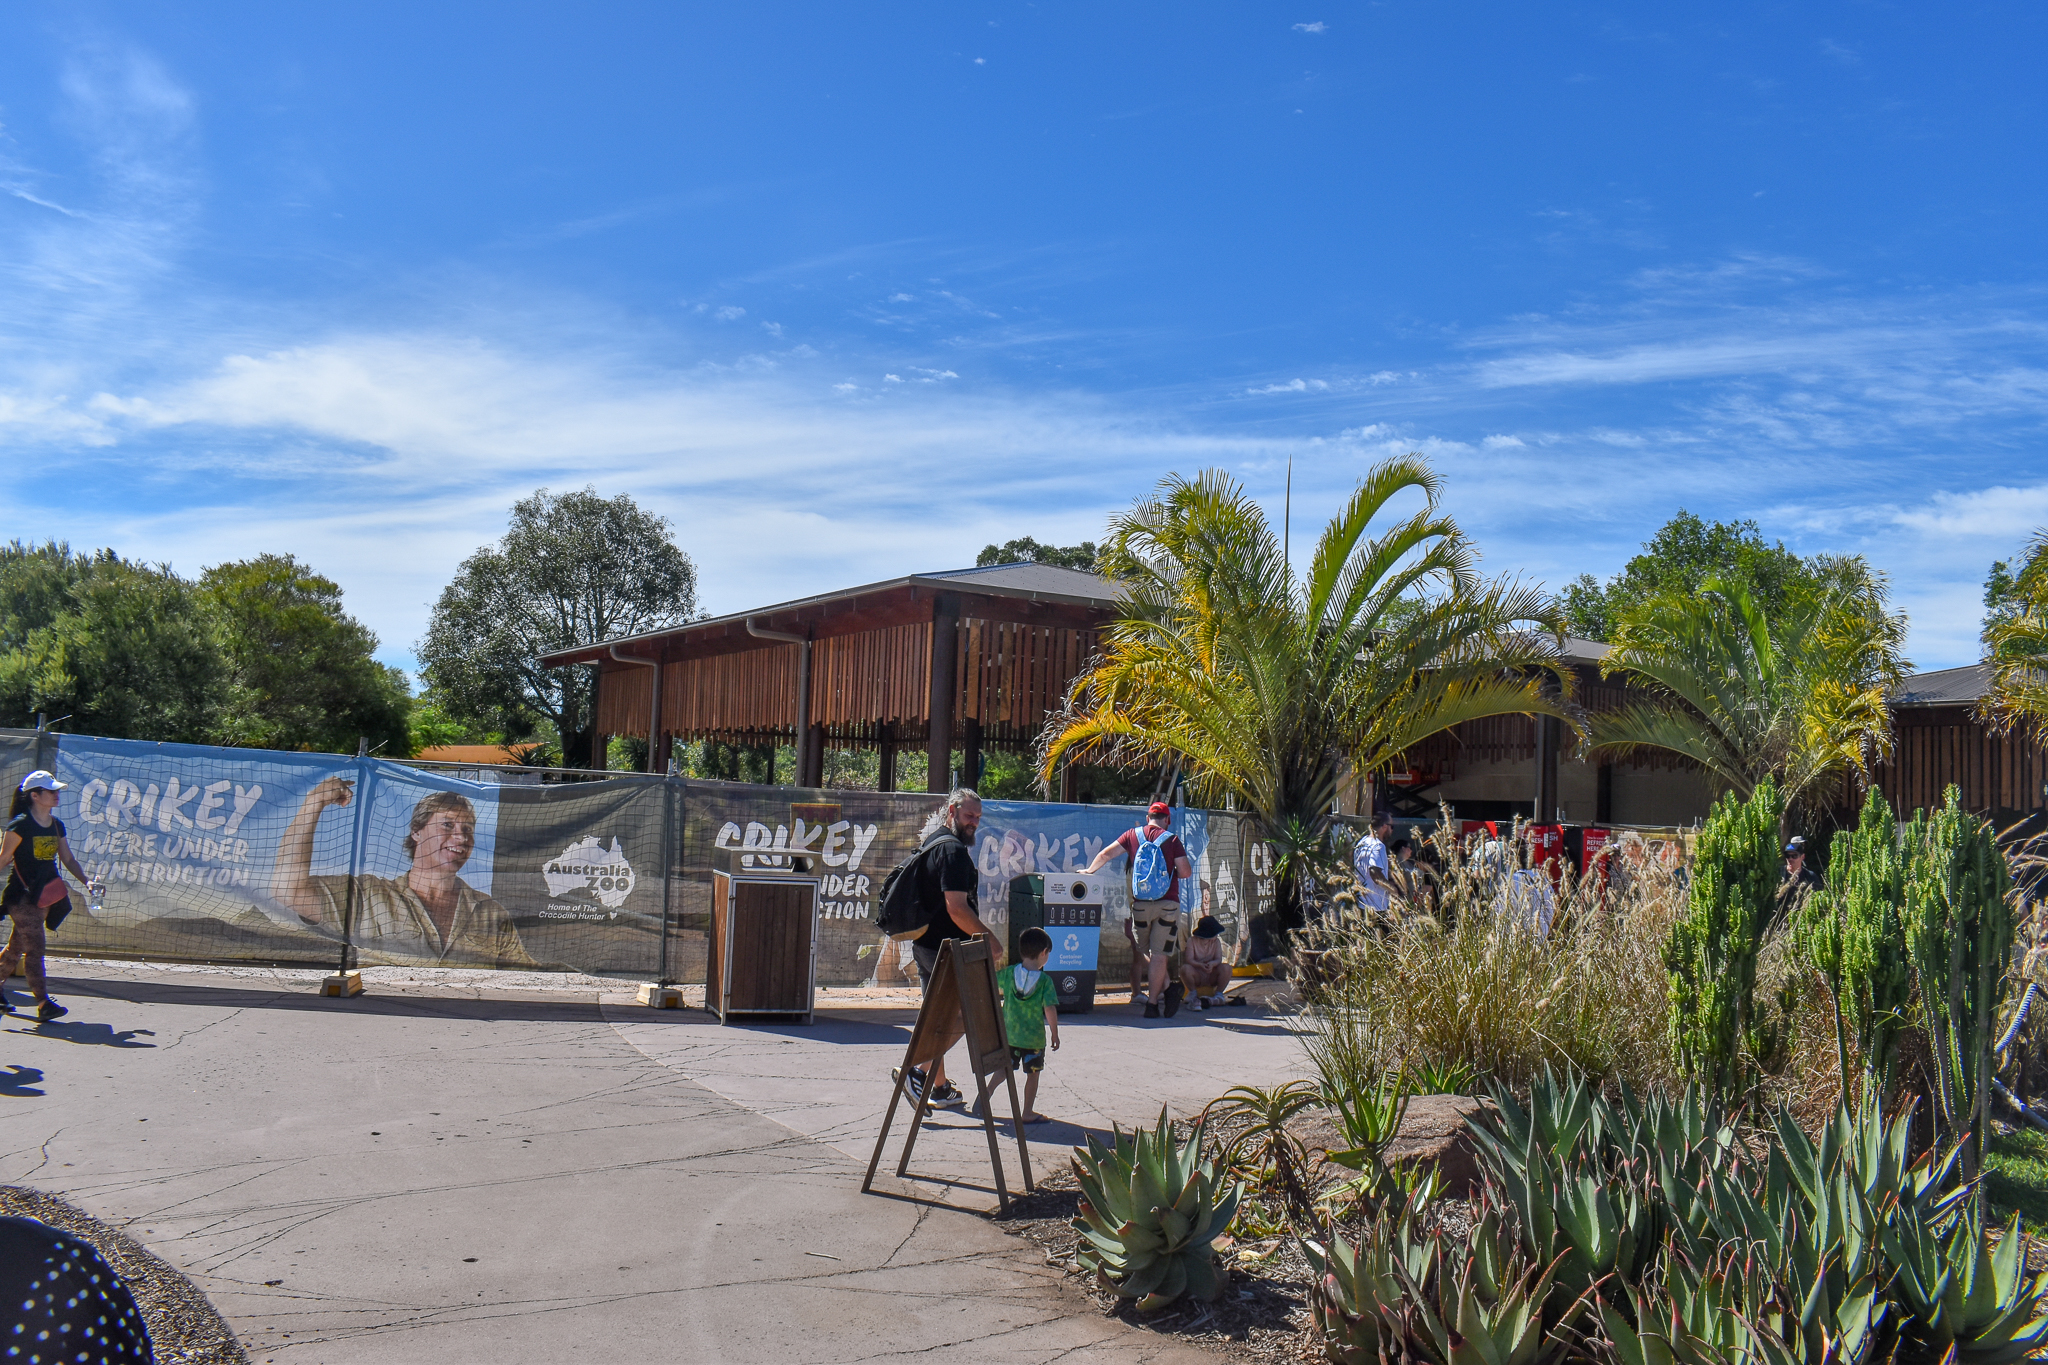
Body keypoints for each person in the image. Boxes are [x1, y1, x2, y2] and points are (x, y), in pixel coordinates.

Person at [273, 778, 537, 968]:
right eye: (447, 825)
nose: (460, 837)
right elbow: (288, 890)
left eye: (468, 829)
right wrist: (313, 804)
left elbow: (526, 974)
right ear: (416, 831)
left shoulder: (491, 912)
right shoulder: (367, 896)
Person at [897, 788, 1000, 1108]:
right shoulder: (954, 851)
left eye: (978, 818)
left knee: (935, 1018)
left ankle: (938, 1088)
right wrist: (990, 940)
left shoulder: (933, 843)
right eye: (969, 816)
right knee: (961, 1019)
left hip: (926, 946)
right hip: (950, 949)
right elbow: (957, 908)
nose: (974, 823)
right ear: (952, 812)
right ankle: (916, 1072)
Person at [1084, 801, 1200, 1019]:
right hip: (1168, 904)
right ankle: (1154, 1004)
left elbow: (1106, 854)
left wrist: (1089, 871)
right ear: (1168, 820)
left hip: (1140, 905)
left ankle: (1167, 987)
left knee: (1142, 950)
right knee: (1159, 955)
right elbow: (1185, 872)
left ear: (1148, 818)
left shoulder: (1132, 835)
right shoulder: (1172, 839)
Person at [0, 771, 96, 1021]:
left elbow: (68, 858)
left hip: (45, 896)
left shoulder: (56, 825)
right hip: (21, 898)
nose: (57, 794)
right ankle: (43, 1003)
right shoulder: (19, 825)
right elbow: (3, 858)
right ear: (35, 795)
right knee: (36, 949)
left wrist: (87, 882)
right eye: (51, 791)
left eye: (57, 790)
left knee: (16, 947)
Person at [997, 925, 1060, 1123]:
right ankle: (1027, 1112)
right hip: (1033, 1040)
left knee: (1003, 1069)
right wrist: (1055, 1034)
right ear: (1043, 953)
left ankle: (986, 1093)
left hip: (1010, 1036)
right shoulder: (1044, 981)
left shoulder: (1008, 974)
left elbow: (988, 980)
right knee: (1033, 1075)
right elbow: (1050, 1009)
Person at [1180, 914, 1240, 1010]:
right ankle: (1193, 993)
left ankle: (1219, 994)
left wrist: (1212, 964)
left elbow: (1218, 959)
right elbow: (1189, 959)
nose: (1216, 935)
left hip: (1211, 973)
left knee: (1226, 968)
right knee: (1185, 969)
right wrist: (1200, 965)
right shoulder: (1191, 941)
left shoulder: (1216, 942)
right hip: (1197, 974)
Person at [1353, 812, 1397, 914]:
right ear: (1385, 826)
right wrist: (1392, 889)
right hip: (1376, 904)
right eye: (1392, 827)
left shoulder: (1362, 842)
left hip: (1362, 901)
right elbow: (1374, 872)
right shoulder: (1378, 846)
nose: (1392, 830)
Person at [1776, 834, 1821, 926]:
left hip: (1801, 924)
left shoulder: (1810, 877)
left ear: (1802, 857)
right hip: (1777, 924)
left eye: (1794, 856)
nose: (1790, 859)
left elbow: (1818, 899)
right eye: (1787, 856)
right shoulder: (1777, 874)